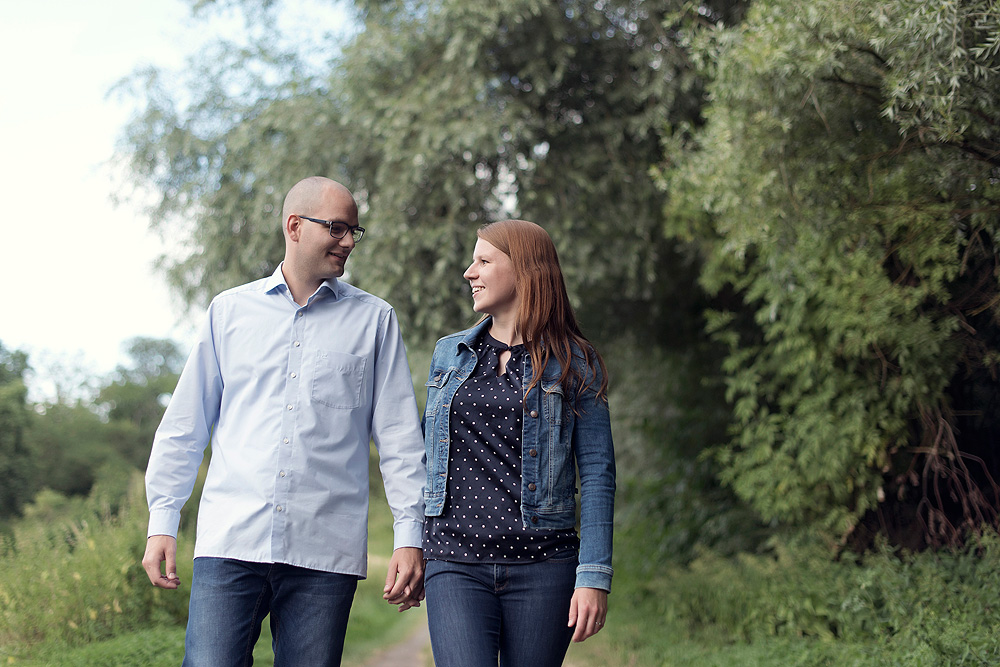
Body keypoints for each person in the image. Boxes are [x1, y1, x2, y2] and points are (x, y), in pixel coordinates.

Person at [142, 176, 426, 666]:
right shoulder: (229, 312)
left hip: (324, 549)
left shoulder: (374, 320)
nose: (348, 242)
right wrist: (163, 520)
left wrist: (410, 535)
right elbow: (185, 425)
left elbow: (400, 438)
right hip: (230, 540)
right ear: (294, 226)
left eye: (355, 231)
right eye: (337, 228)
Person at [421, 219, 616, 667]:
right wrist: (411, 545)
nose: (469, 272)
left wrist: (593, 576)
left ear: (525, 270)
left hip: (544, 567)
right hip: (455, 561)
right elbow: (427, 458)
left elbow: (599, 474)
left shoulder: (575, 363)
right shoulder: (449, 354)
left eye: (484, 261)